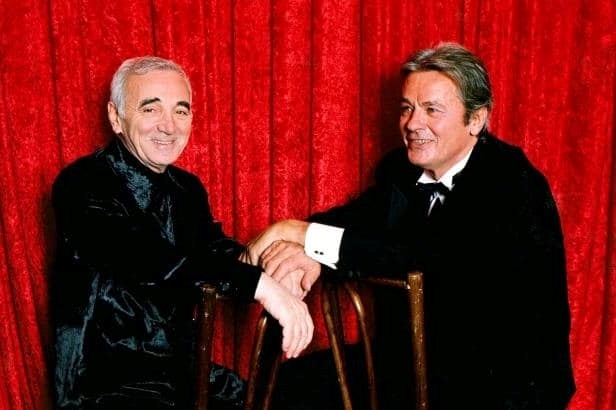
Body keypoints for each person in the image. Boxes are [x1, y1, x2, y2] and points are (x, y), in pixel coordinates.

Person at [245, 42, 576, 409]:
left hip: (500, 381)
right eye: (407, 108)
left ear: (476, 119)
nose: (413, 124)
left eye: (431, 109)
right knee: (288, 386)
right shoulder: (400, 169)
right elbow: (356, 222)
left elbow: (425, 256)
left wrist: (298, 232)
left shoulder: (511, 182)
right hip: (416, 364)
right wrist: (305, 252)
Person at [50, 56, 314, 410]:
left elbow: (211, 254)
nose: (168, 126)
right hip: (106, 383)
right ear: (116, 117)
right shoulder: (80, 184)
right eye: (150, 109)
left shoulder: (186, 188)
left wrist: (275, 258)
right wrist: (262, 286)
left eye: (181, 110)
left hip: (181, 373)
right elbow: (147, 257)